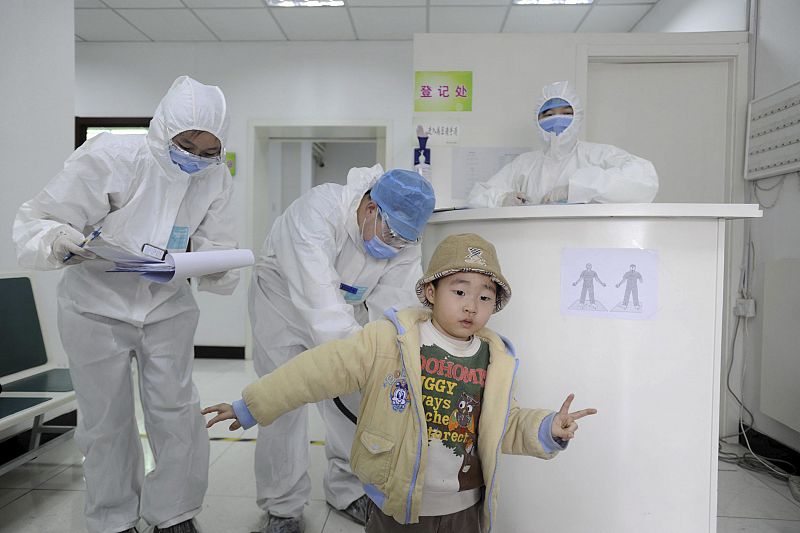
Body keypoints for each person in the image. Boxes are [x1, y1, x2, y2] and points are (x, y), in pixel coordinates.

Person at [204, 233, 596, 533]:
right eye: (459, 291)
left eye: (484, 297)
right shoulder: (387, 341)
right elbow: (315, 372)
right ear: (430, 292)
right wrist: (251, 405)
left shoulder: (497, 359)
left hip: (465, 509)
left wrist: (546, 428)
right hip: (396, 505)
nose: (471, 305)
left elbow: (502, 426)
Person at [13, 75, 239, 533]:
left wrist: (213, 263)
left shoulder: (216, 178)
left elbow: (220, 243)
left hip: (167, 307)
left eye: (208, 149)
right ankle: (113, 518)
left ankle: (174, 514)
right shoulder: (112, 156)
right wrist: (59, 240)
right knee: (105, 420)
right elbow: (40, 218)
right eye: (186, 143)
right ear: (162, 130)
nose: (196, 157)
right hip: (95, 306)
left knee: (176, 413)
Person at [247, 166, 436, 532]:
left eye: (404, 241)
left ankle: (348, 489)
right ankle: (282, 507)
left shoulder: (403, 242)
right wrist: (359, 357)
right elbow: (319, 301)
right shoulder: (318, 212)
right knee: (283, 401)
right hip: (282, 304)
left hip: (345, 310)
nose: (395, 247)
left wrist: (389, 358)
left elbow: (395, 307)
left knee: (353, 398)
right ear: (370, 209)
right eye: (392, 235)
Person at [468, 80, 659, 207]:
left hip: (589, 245)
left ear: (578, 117)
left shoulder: (597, 155)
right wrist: (502, 199)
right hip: (534, 245)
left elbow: (645, 181)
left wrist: (578, 188)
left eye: (566, 113)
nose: (557, 119)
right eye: (549, 114)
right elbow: (476, 196)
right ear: (537, 119)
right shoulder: (525, 164)